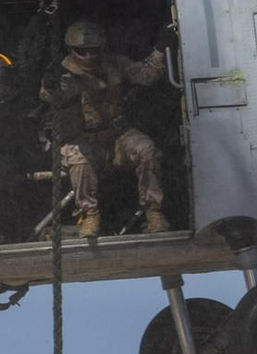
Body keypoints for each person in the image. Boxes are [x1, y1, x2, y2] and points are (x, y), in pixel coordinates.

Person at [46, 18, 171, 238]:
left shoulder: (115, 63)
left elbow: (146, 75)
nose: (88, 56)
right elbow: (53, 95)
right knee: (78, 159)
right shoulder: (65, 73)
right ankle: (89, 214)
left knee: (147, 150)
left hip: (117, 136)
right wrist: (50, 85)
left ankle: (153, 212)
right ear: (70, 50)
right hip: (82, 139)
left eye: (93, 50)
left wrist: (160, 50)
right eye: (81, 51)